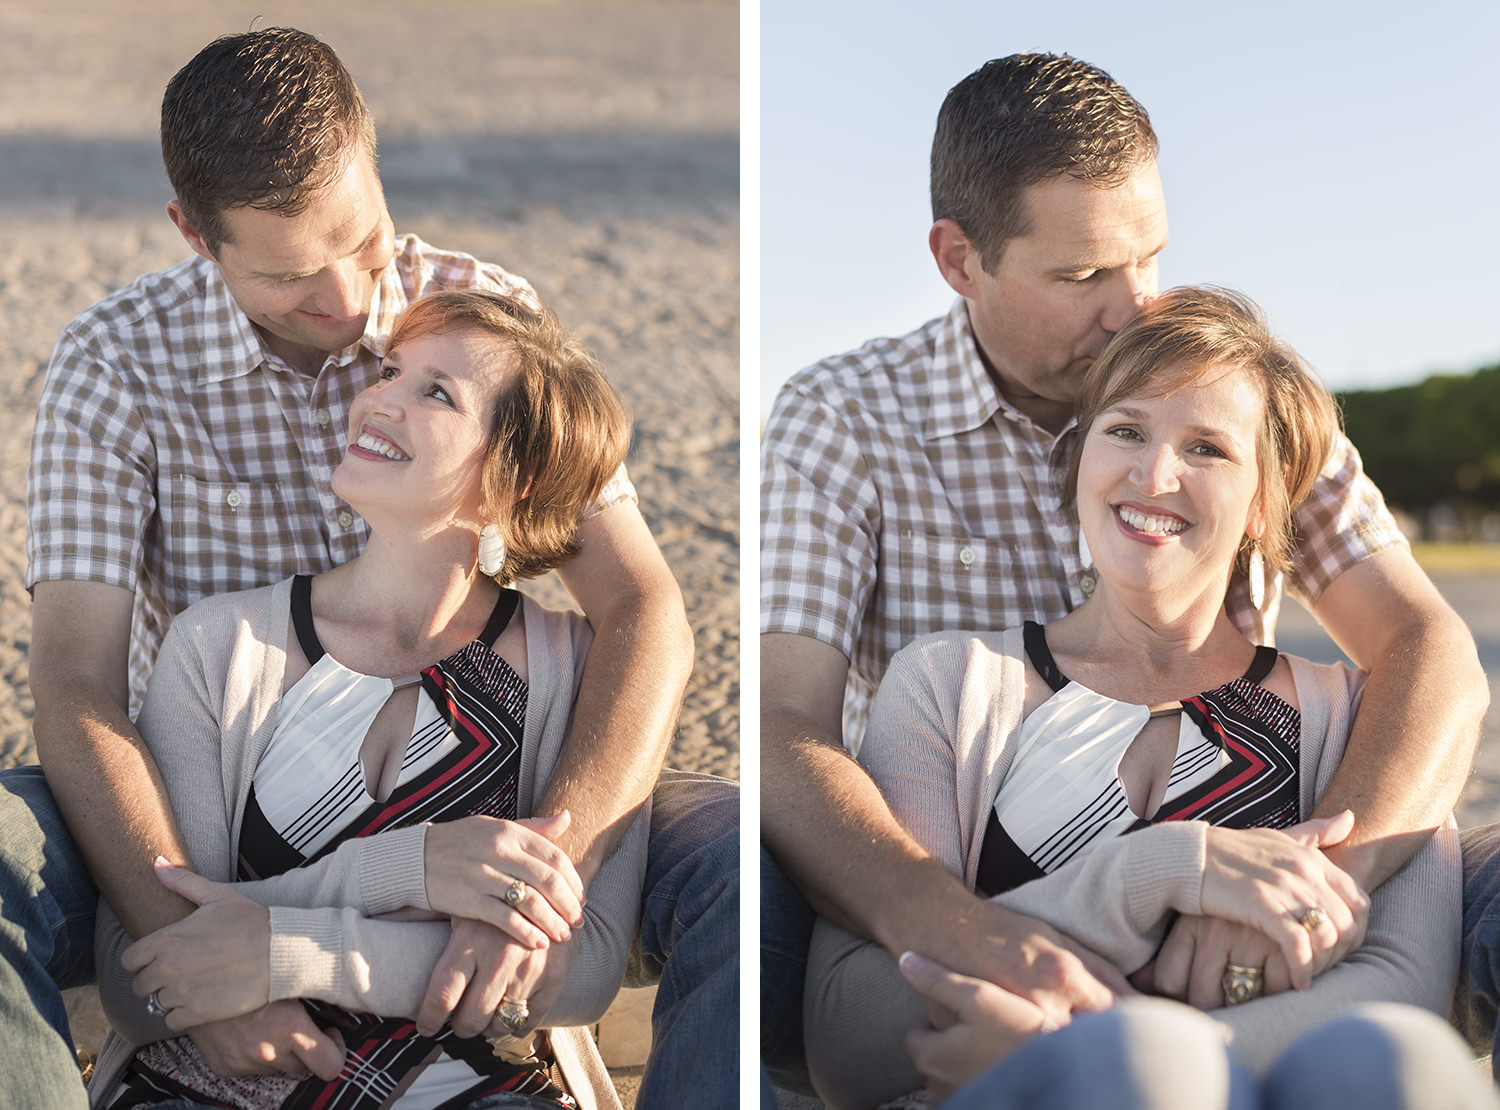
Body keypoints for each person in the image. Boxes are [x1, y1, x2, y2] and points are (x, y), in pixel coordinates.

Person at [2, 27, 736, 1110]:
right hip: (204, 811)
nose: (350, 300)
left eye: (366, 242)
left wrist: (543, 867)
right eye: (294, 274)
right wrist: (206, 962)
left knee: (736, 854)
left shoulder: (474, 313)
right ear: (194, 236)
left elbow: (642, 604)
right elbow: (74, 688)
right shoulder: (115, 364)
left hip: (484, 787)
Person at [759, 52, 1487, 1090]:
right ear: (959, 261)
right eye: (1082, 275)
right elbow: (786, 726)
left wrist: (1313, 895)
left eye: (1147, 256)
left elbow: (1427, 646)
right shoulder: (844, 419)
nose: (1132, 305)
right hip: (930, 856)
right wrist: (979, 940)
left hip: (1251, 860)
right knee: (754, 871)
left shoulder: (1225, 384)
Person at [801, 286, 1463, 1108]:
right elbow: (849, 1030)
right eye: (1125, 431)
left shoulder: (1366, 725)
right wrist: (1154, 873)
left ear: (1264, 503)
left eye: (1208, 449)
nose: (1155, 475)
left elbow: (1404, 997)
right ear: (1080, 461)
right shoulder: (946, 686)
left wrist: (1109, 1052)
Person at [85, 289, 643, 1108]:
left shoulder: (575, 672)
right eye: (390, 371)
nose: (377, 396)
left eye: (436, 392)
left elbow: (580, 970)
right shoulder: (219, 646)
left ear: (509, 482)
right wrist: (412, 870)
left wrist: (291, 949)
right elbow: (144, 974)